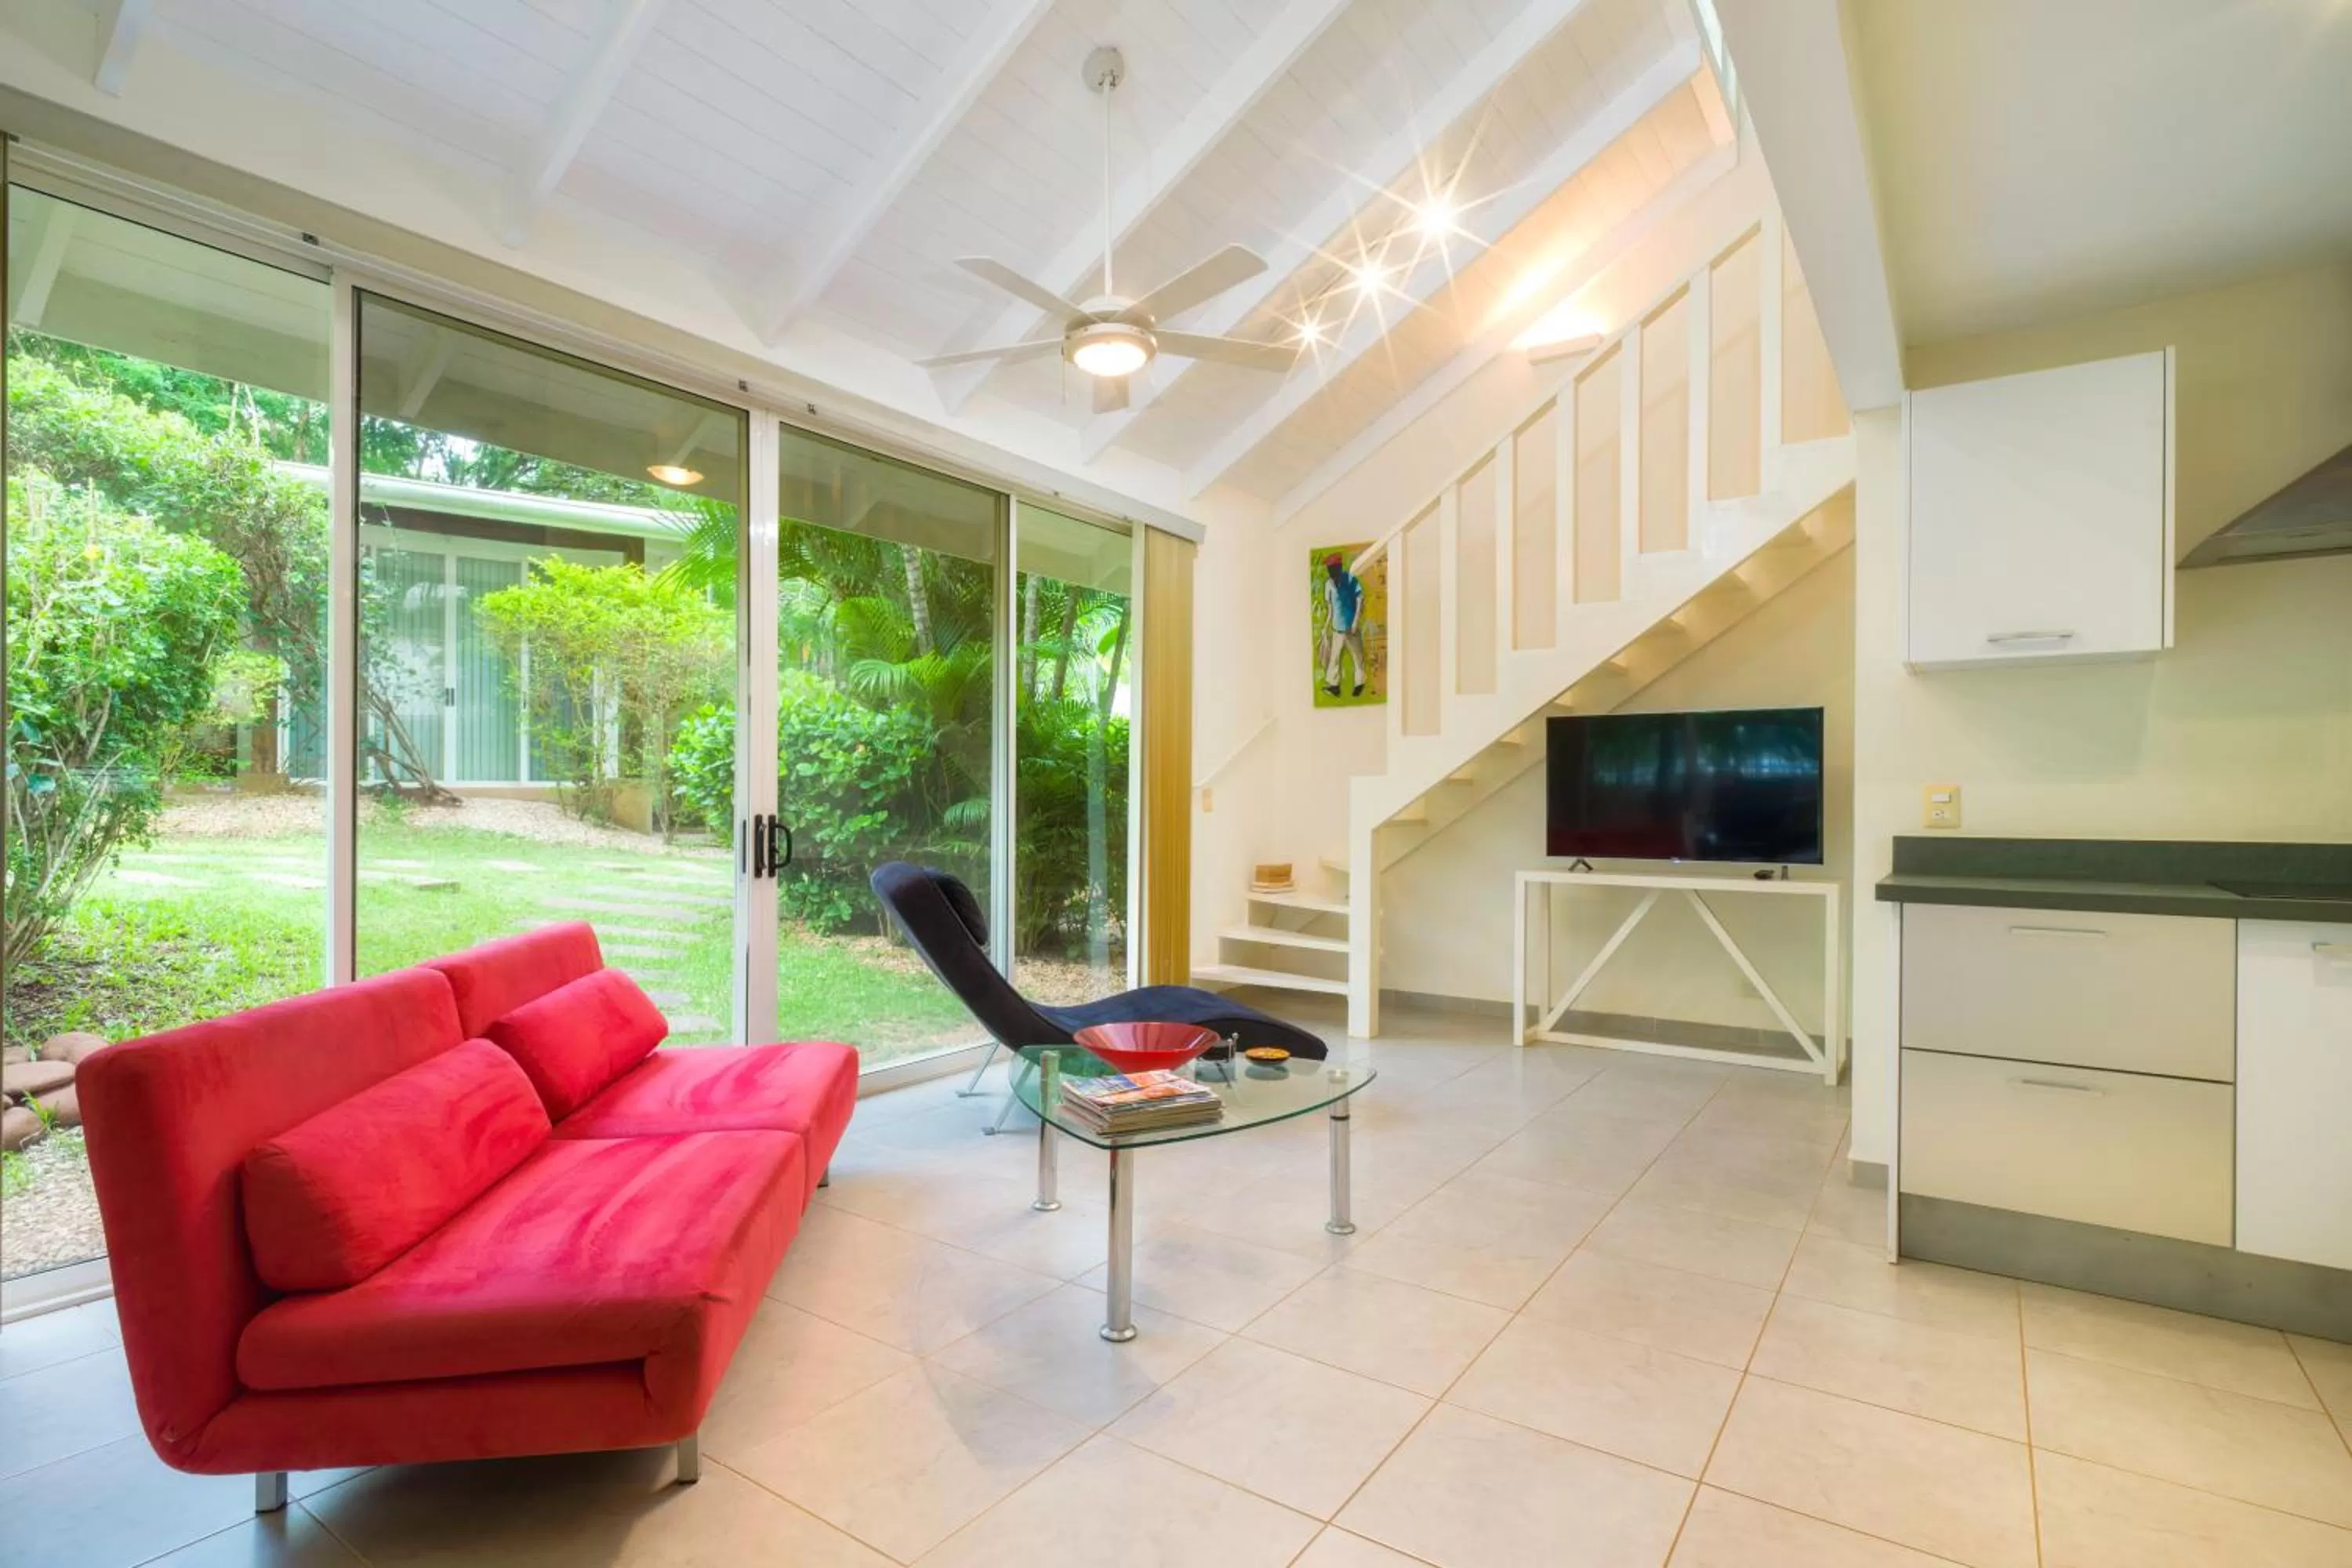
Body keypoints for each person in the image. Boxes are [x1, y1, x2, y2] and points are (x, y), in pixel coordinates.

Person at [1319, 550, 1367, 698]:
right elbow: (1331, 609)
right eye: (1329, 570)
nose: (1332, 573)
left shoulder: (1350, 579)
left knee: (1357, 657)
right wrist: (1325, 628)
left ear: (1339, 568)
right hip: (1337, 629)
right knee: (1334, 659)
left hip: (1351, 629)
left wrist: (1355, 622)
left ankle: (1359, 684)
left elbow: (1360, 599)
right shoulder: (1328, 585)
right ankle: (1334, 686)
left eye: (1334, 569)